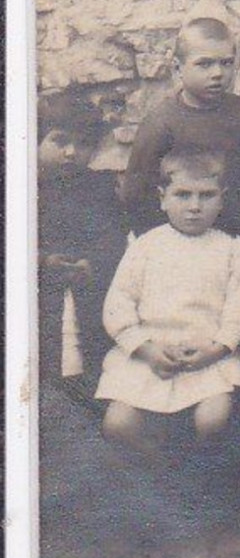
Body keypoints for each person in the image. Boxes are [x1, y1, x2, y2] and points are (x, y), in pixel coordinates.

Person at [95, 147, 240, 453]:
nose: (194, 206)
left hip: (207, 357)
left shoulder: (233, 248)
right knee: (117, 425)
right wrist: (147, 349)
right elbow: (118, 306)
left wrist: (216, 349)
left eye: (206, 195)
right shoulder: (144, 246)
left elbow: (239, 310)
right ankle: (163, 470)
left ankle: (199, 471)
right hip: (150, 355)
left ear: (222, 198)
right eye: (183, 195)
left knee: (213, 420)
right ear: (162, 197)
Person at [120, 17, 240, 242]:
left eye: (226, 63)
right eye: (204, 64)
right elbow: (137, 195)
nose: (217, 73)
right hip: (184, 238)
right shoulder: (162, 123)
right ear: (177, 68)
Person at [37, 90, 129, 396]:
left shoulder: (97, 187)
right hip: (40, 293)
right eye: (60, 141)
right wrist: (41, 261)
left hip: (89, 289)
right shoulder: (25, 189)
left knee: (93, 360)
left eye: (83, 143)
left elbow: (113, 238)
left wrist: (94, 262)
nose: (71, 152)